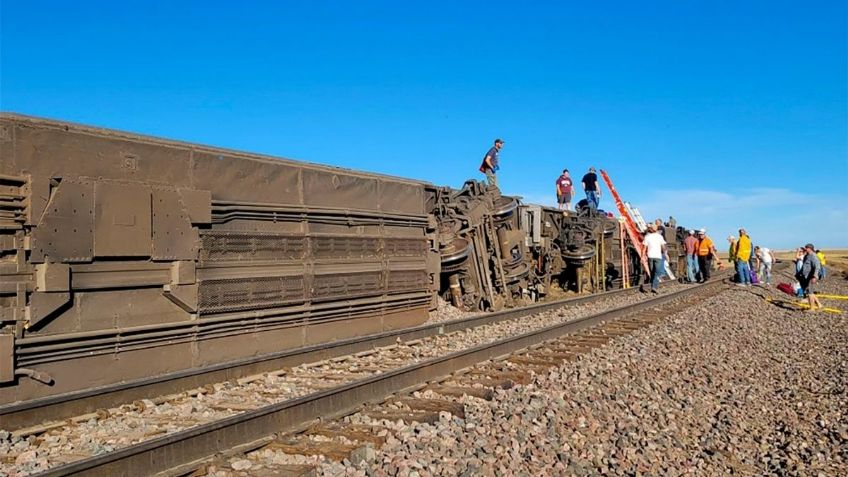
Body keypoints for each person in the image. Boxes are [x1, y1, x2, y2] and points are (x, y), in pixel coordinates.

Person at [642, 223, 666, 293]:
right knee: (656, 272)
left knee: (653, 271)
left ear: (651, 229)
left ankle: (653, 286)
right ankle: (653, 285)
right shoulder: (660, 237)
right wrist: (665, 254)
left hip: (651, 256)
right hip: (657, 256)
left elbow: (644, 248)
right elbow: (663, 246)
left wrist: (642, 256)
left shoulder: (647, 237)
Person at [797, 243, 822, 311]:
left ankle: (812, 308)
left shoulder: (813, 256)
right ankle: (819, 305)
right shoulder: (806, 256)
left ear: (810, 249)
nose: (805, 249)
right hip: (806, 276)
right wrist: (799, 273)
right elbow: (804, 266)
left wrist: (815, 276)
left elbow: (817, 267)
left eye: (806, 248)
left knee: (810, 293)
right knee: (810, 291)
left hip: (811, 277)